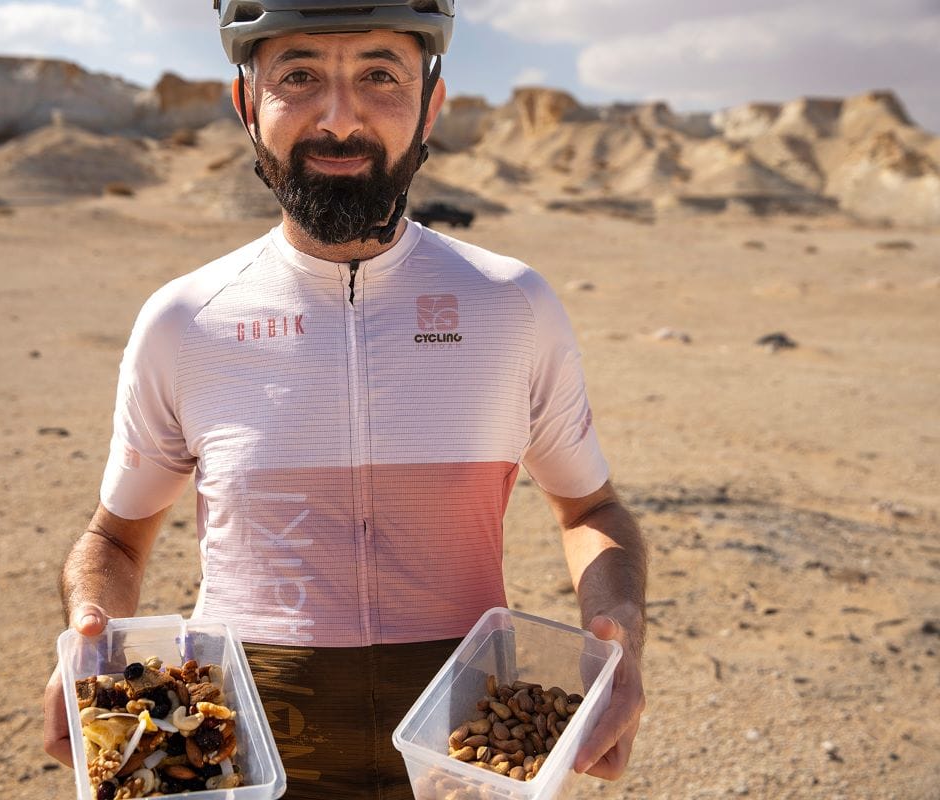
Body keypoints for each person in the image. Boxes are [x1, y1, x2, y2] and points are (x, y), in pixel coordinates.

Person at [43, 2, 647, 797]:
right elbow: (115, 542)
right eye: (297, 76)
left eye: (379, 76)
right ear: (246, 103)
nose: (339, 119)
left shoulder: (510, 305)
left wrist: (621, 643)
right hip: (242, 759)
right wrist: (91, 637)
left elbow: (591, 513)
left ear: (430, 102)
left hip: (468, 759)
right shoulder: (185, 322)